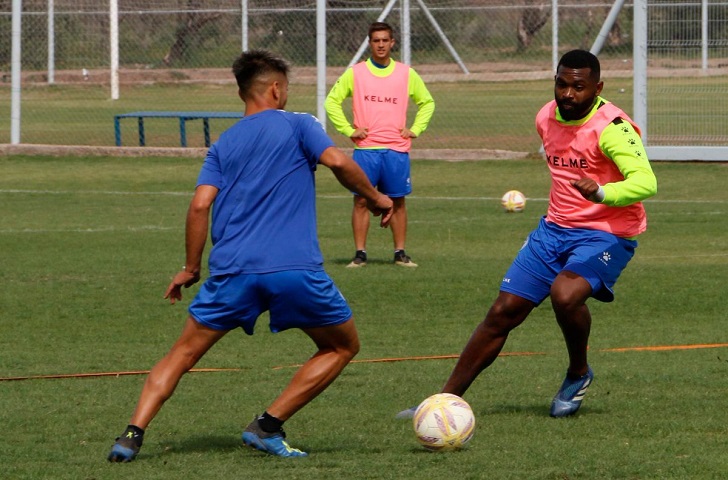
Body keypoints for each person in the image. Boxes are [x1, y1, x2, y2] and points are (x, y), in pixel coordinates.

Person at [107, 49, 393, 462]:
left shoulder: (223, 144)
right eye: (287, 88)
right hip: (292, 270)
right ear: (276, 89)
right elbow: (337, 161)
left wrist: (190, 269)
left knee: (181, 354)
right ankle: (267, 426)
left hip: (232, 272)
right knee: (342, 346)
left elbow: (200, 205)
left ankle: (131, 435)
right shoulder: (300, 125)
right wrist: (377, 197)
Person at [397, 49, 657, 419]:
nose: (568, 94)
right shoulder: (545, 117)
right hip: (553, 230)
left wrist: (603, 192)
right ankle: (442, 402)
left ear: (597, 88)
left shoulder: (613, 128)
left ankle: (578, 373)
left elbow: (646, 181)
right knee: (503, 312)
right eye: (561, 84)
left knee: (565, 293)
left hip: (606, 233)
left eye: (578, 87)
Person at [325, 21, 435, 268]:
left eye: (385, 40)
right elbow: (332, 101)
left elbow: (427, 102)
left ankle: (400, 253)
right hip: (366, 149)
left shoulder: (406, 73)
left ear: (392, 43)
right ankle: (360, 254)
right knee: (361, 200)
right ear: (370, 43)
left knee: (397, 200)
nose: (381, 44)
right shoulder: (356, 73)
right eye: (376, 40)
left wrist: (415, 129)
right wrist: (349, 130)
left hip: (396, 149)